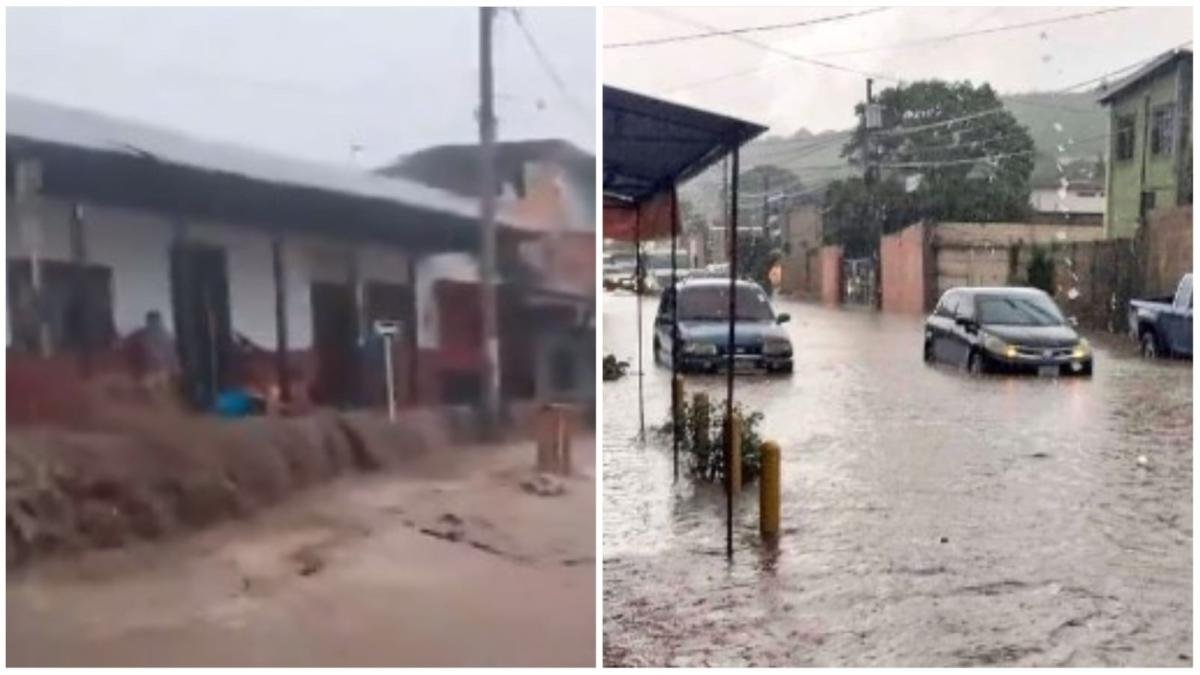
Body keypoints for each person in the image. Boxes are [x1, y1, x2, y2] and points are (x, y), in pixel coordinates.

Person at [127, 310, 180, 401]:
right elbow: (173, 355)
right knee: (160, 395)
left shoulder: (143, 333)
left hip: (153, 371)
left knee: (149, 396)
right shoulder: (168, 335)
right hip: (159, 371)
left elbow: (125, 343)